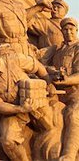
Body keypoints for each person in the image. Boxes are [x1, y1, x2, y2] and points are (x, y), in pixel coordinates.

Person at [0, 39, 51, 161]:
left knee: (53, 126)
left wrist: (49, 82)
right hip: (13, 111)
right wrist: (20, 109)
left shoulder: (14, 59)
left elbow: (36, 66)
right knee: (7, 140)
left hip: (36, 102)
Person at [44, 17, 79, 161]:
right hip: (58, 93)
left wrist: (67, 79)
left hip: (75, 92)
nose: (68, 32)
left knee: (73, 114)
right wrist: (51, 73)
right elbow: (45, 66)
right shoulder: (57, 50)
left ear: (76, 31)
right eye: (65, 29)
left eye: (71, 29)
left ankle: (69, 154)